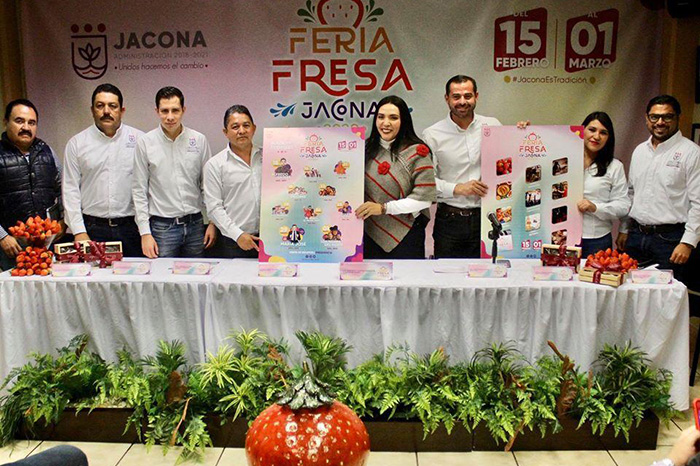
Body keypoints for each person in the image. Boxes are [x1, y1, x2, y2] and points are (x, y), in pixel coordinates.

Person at [617, 95, 700, 286]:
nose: (660, 122)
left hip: (670, 241)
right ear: (647, 118)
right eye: (654, 117)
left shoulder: (691, 153)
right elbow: (631, 194)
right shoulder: (640, 151)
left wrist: (688, 243)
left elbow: (698, 203)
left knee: (665, 296)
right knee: (630, 292)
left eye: (667, 117)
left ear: (678, 118)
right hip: (636, 236)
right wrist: (624, 229)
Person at [422, 75, 502, 258]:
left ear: (476, 96)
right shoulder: (432, 134)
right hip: (450, 221)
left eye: (468, 96)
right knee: (448, 275)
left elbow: (512, 161)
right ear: (447, 98)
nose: (462, 102)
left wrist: (522, 132)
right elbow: (425, 182)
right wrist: (457, 188)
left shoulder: (493, 126)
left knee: (490, 273)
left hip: (489, 218)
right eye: (456, 96)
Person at [132, 86, 216, 258]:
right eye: (164, 111)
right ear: (157, 111)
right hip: (162, 229)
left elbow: (208, 186)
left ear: (183, 110)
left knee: (197, 275)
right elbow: (139, 190)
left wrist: (213, 222)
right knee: (163, 275)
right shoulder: (145, 143)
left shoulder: (198, 140)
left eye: (175, 110)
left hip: (195, 225)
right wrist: (145, 233)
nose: (170, 117)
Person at [62, 83, 145, 257]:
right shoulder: (77, 144)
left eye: (112, 106)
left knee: (135, 274)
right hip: (92, 230)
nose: (106, 111)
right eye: (100, 106)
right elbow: (70, 190)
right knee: (93, 275)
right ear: (92, 110)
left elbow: (149, 187)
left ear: (122, 110)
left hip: (132, 229)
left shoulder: (141, 141)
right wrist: (79, 231)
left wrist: (145, 230)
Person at [356, 95, 436, 259]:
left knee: (405, 276)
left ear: (404, 121)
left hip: (407, 235)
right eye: (381, 117)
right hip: (368, 233)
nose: (386, 123)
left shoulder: (417, 152)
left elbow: (424, 199)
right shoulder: (364, 149)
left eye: (393, 118)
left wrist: (383, 208)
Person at [0, 99, 62, 271]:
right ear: (6, 122)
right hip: (11, 246)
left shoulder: (48, 152)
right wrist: (2, 237)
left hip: (47, 244)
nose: (26, 127)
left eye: (31, 123)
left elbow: (63, 190)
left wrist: (62, 222)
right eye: (19, 121)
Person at [203, 105, 261, 259]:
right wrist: (238, 235)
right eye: (235, 127)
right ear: (225, 132)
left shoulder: (268, 157)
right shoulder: (215, 165)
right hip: (234, 242)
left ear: (254, 128)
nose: (241, 131)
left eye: (246, 125)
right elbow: (214, 208)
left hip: (269, 238)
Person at [576, 111, 630, 257]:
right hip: (561, 236)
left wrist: (595, 207)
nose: (596, 136)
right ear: (582, 130)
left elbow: (623, 206)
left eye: (603, 133)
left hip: (596, 239)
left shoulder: (614, 166)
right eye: (592, 130)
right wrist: (524, 132)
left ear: (609, 138)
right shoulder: (561, 158)